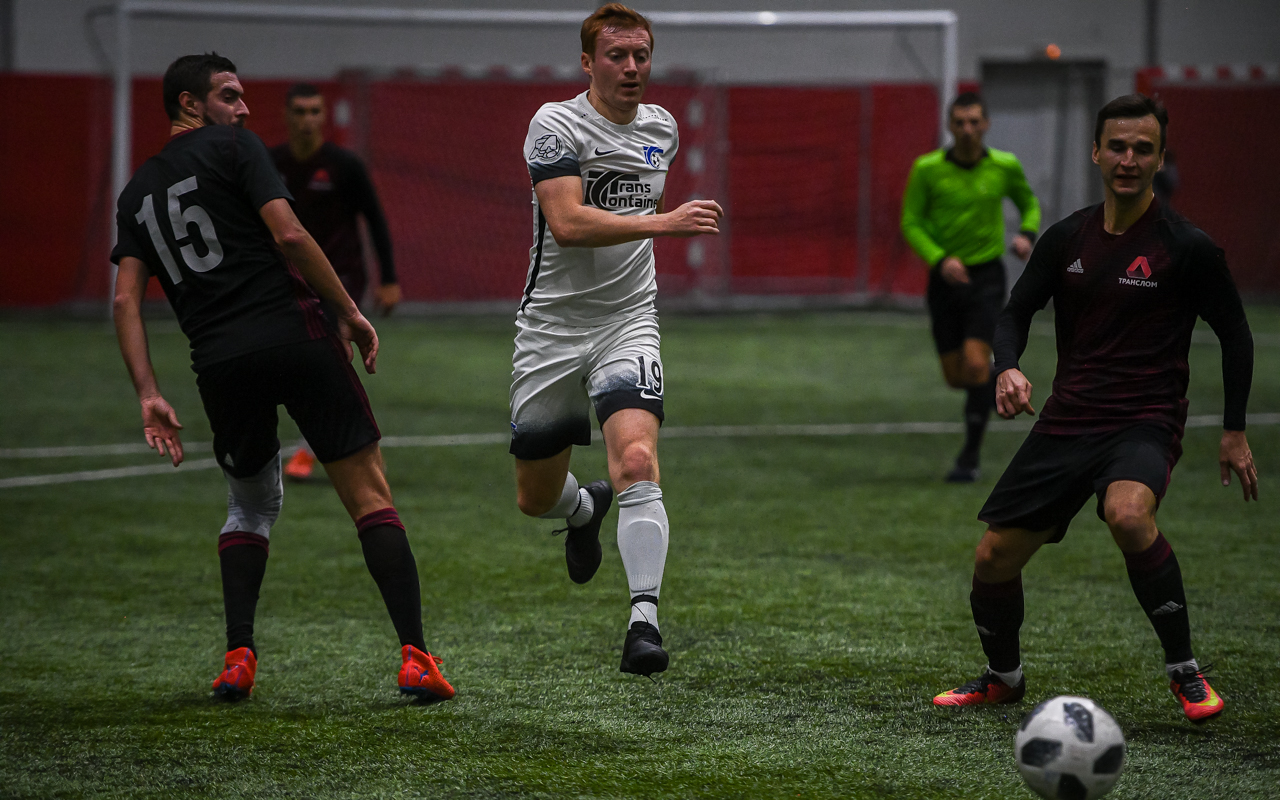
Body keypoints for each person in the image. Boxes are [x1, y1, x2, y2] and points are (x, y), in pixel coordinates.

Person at [110, 53, 453, 702]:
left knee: (249, 506)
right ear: (189, 104)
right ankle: (417, 658)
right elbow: (290, 235)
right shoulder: (236, 147)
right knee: (370, 496)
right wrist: (347, 311)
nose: (243, 109)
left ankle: (238, 657)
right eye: (229, 95)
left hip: (219, 362)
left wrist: (149, 392)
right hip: (297, 336)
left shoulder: (136, 193)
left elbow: (126, 299)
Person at [932, 95, 1256, 724]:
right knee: (993, 558)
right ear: (1097, 153)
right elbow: (1015, 313)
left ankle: (1185, 671)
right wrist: (1007, 367)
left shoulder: (1187, 247)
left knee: (1128, 514)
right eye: (1118, 147)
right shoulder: (1067, 238)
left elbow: (1236, 336)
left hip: (1143, 418)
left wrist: (1234, 430)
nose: (1128, 160)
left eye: (1143, 149)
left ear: (1160, 159)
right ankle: (1003, 678)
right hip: (1068, 419)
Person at [509, 3, 722, 676]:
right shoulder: (554, 124)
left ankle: (643, 624)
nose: (632, 67)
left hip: (628, 319)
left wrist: (656, 224)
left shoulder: (663, 128)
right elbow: (568, 224)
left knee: (635, 459)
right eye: (616, 56)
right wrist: (663, 223)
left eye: (641, 55)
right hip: (551, 327)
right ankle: (582, 508)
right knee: (534, 497)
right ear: (587, 62)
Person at [901, 92, 1042, 482]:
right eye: (960, 122)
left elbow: (1029, 203)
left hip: (986, 278)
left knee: (977, 364)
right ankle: (991, 383)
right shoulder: (927, 169)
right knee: (956, 376)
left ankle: (969, 459)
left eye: (974, 122)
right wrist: (940, 258)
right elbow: (911, 221)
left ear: (986, 124)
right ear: (949, 125)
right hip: (944, 281)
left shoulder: (1004, 165)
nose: (967, 129)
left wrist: (1027, 234)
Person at [270, 83, 401, 482]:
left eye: (314, 111)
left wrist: (389, 278)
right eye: (300, 111)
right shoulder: (270, 164)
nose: (307, 120)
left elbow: (375, 219)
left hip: (340, 278)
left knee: (329, 355)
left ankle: (313, 450)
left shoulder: (345, 165)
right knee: (292, 361)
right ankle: (346, 441)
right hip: (288, 279)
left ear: (324, 116)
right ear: (286, 115)